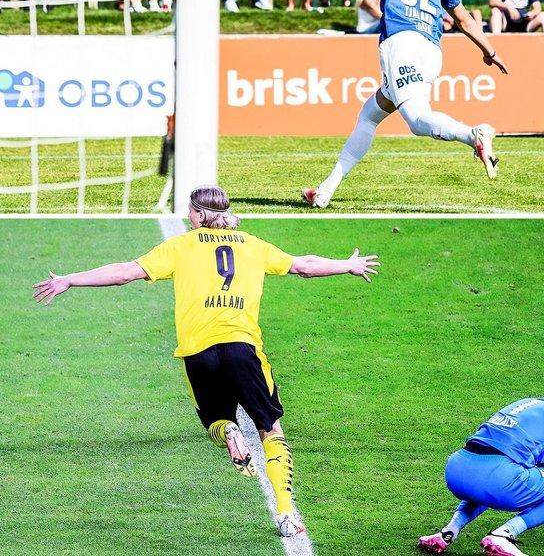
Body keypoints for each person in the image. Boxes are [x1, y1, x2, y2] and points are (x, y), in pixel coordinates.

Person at [32, 185, 380, 538]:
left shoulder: (180, 246)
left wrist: (69, 280)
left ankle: (228, 430)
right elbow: (304, 266)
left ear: (199, 215)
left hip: (197, 352)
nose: (187, 216)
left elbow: (125, 272)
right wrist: (348, 265)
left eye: (189, 211)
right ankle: (287, 513)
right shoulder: (254, 245)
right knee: (270, 430)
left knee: (216, 421)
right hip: (242, 348)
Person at [272, 0, 508, 209]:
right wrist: (489, 50)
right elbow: (462, 18)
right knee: (370, 115)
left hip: (402, 43)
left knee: (418, 120)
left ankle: (473, 134)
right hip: (431, 49)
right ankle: (325, 190)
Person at [418, 398, 544, 556]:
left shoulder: (529, 403)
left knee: (489, 481)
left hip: (457, 468)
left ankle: (448, 532)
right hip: (498, 477)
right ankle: (504, 534)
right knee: (497, 479)